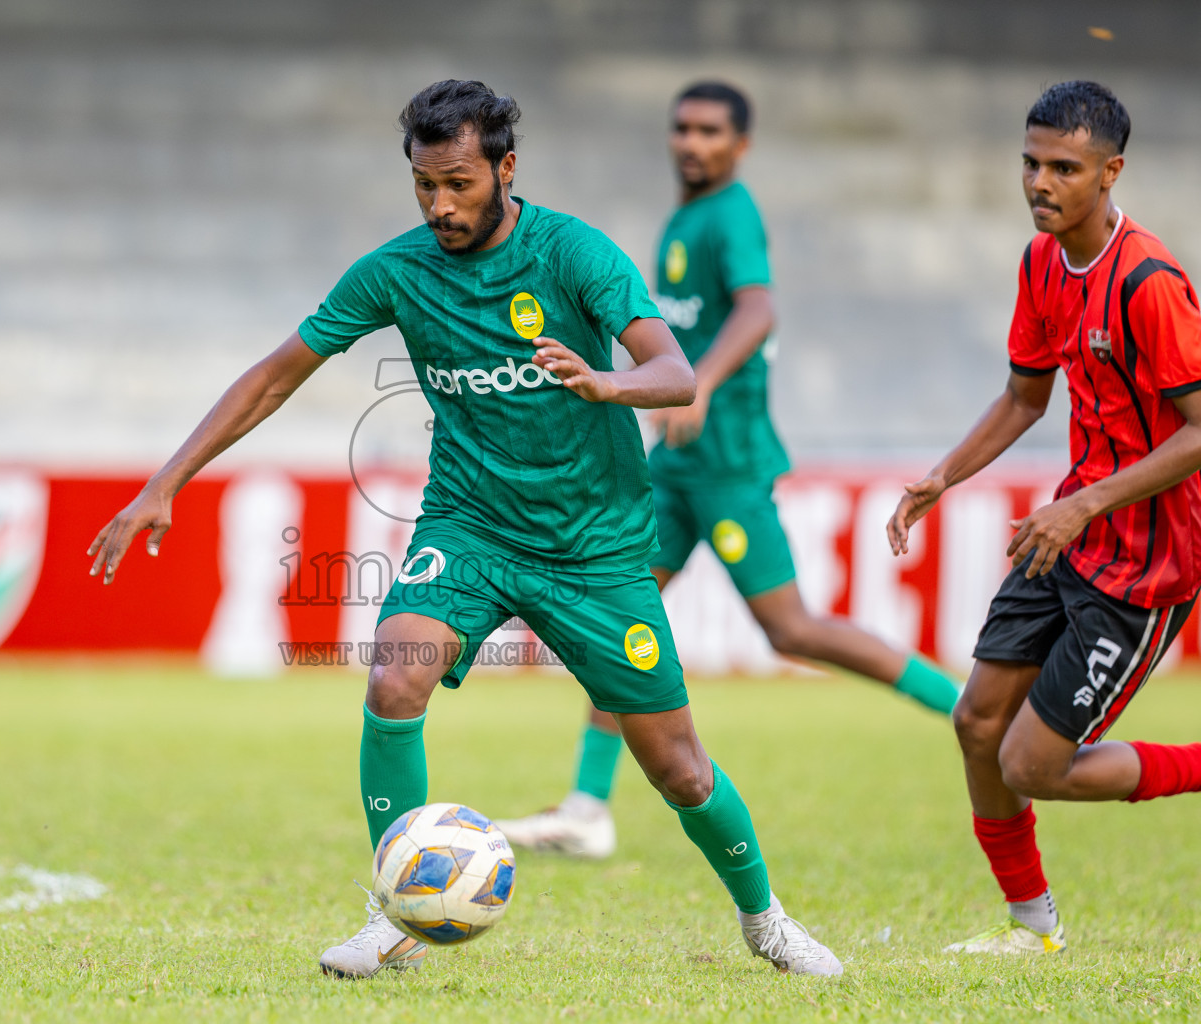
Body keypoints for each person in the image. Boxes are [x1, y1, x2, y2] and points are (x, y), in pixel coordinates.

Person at [89, 80, 842, 979]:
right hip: (470, 528)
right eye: (424, 184)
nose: (440, 205)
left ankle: (765, 921)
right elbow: (274, 375)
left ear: (506, 168)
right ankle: (394, 915)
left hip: (595, 547)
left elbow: (676, 373)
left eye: (458, 183)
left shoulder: (574, 253)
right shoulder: (397, 270)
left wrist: (606, 384)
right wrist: (165, 483)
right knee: (394, 677)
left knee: (678, 767)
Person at [497, 81, 961, 859]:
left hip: (727, 468)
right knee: (618, 615)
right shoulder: (686, 218)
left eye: (711, 131)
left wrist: (700, 382)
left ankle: (968, 708)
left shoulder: (730, 216)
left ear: (740, 145)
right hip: (674, 468)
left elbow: (759, 309)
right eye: (683, 128)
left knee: (791, 630)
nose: (692, 142)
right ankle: (585, 808)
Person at [888, 81, 1201, 955]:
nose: (1039, 182)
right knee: (976, 724)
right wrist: (942, 477)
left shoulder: (1149, 282)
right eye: (1031, 163)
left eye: (1064, 168)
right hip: (1067, 534)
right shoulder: (1041, 263)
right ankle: (1032, 926)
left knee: (1033, 764)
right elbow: (1025, 397)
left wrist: (1085, 503)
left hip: (1147, 562)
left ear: (1110, 173)